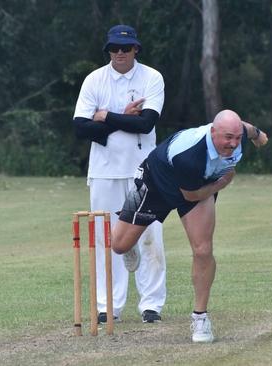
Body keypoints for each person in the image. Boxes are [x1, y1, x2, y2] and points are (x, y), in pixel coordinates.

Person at [111, 110, 268, 343]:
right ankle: (131, 244)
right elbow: (191, 195)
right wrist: (222, 183)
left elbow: (245, 127)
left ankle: (200, 317)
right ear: (213, 132)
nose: (233, 143)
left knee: (203, 249)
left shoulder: (238, 134)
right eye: (227, 138)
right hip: (158, 181)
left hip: (201, 183)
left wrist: (258, 135)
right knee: (119, 245)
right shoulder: (190, 155)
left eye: (237, 138)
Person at [72, 24, 167, 324]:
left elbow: (146, 124)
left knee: (150, 235)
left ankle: (151, 305)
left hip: (144, 169)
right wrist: (124, 117)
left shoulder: (152, 77)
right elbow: (80, 128)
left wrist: (107, 116)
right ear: (108, 50)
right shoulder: (94, 80)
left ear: (136, 49)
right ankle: (107, 305)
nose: (120, 53)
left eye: (126, 48)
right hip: (103, 170)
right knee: (105, 238)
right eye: (115, 48)